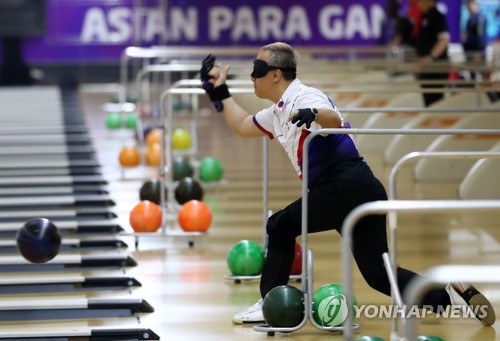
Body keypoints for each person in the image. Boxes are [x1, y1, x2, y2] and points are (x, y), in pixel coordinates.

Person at [199, 42, 495, 326]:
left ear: (275, 74)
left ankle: (270, 304)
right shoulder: (277, 112)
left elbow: (333, 120)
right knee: (379, 275)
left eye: (257, 69)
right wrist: (220, 91)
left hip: (343, 184)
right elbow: (240, 124)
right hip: (359, 189)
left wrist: (313, 115)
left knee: (280, 225)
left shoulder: (304, 97)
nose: (252, 77)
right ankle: (448, 295)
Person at [414, 0, 450, 107]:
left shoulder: (437, 16)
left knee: (435, 102)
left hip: (435, 69)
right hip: (426, 69)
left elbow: (444, 39)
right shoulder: (424, 16)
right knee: (427, 100)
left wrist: (430, 57)